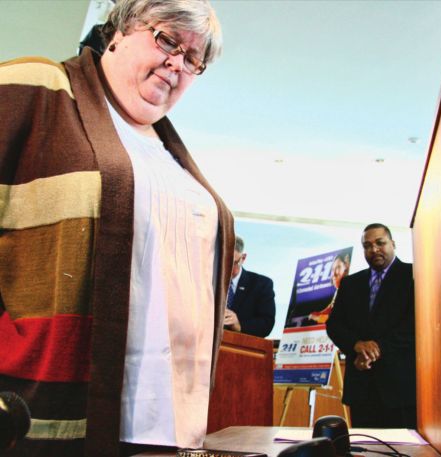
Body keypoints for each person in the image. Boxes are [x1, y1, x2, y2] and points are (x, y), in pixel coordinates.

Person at [0, 1, 234, 456]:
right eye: (167, 40)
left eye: (192, 59)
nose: (177, 63)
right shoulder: (38, 87)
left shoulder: (168, 150)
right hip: (47, 406)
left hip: (167, 424)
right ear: (121, 31)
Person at [326, 223, 416, 428]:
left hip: (400, 390)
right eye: (367, 246)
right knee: (364, 444)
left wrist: (376, 349)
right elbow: (334, 325)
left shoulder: (414, 275)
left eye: (380, 243)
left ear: (393, 244)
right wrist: (356, 345)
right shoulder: (350, 284)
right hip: (361, 388)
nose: (374, 249)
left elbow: (414, 325)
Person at [224, 236, 276, 338]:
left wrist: (239, 325)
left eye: (232, 263)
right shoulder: (208, 282)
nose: (226, 267)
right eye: (223, 261)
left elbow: (266, 322)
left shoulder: (261, 284)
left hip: (239, 344)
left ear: (243, 258)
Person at [308, 250, 351, 324]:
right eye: (332, 269)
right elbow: (331, 308)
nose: (333, 274)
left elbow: (338, 317)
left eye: (338, 267)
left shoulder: (349, 290)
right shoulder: (339, 290)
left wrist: (318, 317)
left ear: (347, 267)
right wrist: (318, 314)